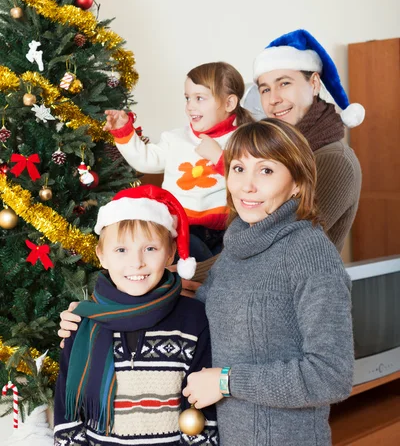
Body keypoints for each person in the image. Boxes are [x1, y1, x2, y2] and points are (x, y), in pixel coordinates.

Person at [59, 120, 354, 446]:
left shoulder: (310, 254)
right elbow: (186, 305)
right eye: (239, 168)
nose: (247, 186)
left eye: (266, 171)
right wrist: (96, 316)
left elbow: (331, 376)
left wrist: (228, 382)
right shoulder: (238, 248)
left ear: (297, 182)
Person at [54, 185, 218, 446]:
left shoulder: (194, 319)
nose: (137, 262)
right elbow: (67, 409)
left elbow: (202, 411)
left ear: (170, 253)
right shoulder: (81, 321)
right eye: (121, 250)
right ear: (101, 256)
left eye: (150, 249)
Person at [104, 62, 253, 266]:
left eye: (199, 98)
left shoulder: (244, 139)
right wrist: (124, 133)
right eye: (187, 98)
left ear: (229, 103)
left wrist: (220, 158)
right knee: (191, 264)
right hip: (183, 227)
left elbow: (251, 180)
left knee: (229, 267)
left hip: (230, 226)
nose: (190, 106)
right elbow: (146, 160)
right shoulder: (175, 139)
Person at [252, 29, 364, 253]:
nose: (273, 99)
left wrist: (181, 276)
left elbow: (278, 246)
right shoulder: (271, 153)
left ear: (314, 83)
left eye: (284, 83)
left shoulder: (334, 160)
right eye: (265, 89)